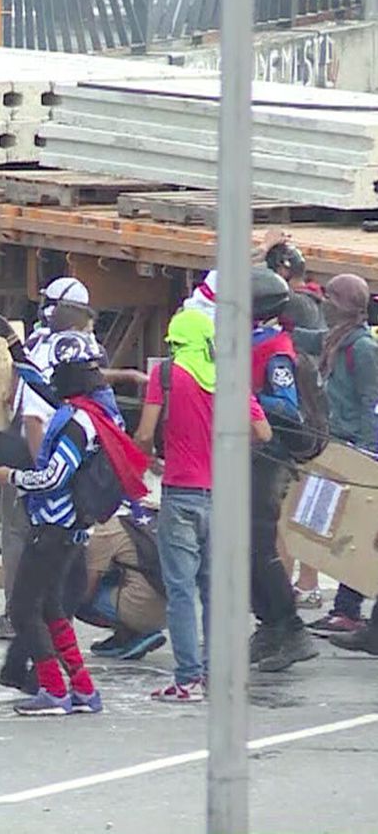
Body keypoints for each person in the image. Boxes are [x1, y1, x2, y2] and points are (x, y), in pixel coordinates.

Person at [0, 333, 142, 716]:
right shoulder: (99, 411)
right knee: (53, 608)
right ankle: (83, 689)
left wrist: (12, 477)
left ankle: (54, 690)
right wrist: (17, 351)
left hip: (53, 528)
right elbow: (43, 385)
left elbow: (55, 475)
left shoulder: (77, 423)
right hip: (73, 528)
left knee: (24, 609)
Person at [134, 308, 273, 701]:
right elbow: (263, 431)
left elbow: (145, 434)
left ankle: (187, 679)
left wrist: (149, 459)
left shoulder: (166, 375)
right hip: (224, 497)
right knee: (215, 588)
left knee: (181, 590)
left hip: (180, 493)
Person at [294, 274, 378, 636]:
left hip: (357, 450)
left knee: (356, 530)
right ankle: (346, 608)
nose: (323, 305)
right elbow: (307, 339)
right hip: (337, 444)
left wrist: (367, 450)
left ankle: (348, 608)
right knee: (340, 528)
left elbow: (371, 402)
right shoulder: (335, 340)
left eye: (329, 299)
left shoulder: (361, 348)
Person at [247, 267, 320, 673]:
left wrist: (247, 397)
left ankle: (290, 628)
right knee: (244, 549)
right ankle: (269, 623)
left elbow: (286, 405)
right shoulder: (251, 341)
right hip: (248, 454)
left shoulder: (275, 348)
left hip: (267, 457)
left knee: (258, 546)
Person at [76, 507, 166, 661]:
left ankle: (134, 632)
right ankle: (131, 632)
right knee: (124, 570)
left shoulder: (107, 528)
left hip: (143, 610)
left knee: (74, 594)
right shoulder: (149, 512)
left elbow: (88, 590)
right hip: (174, 611)